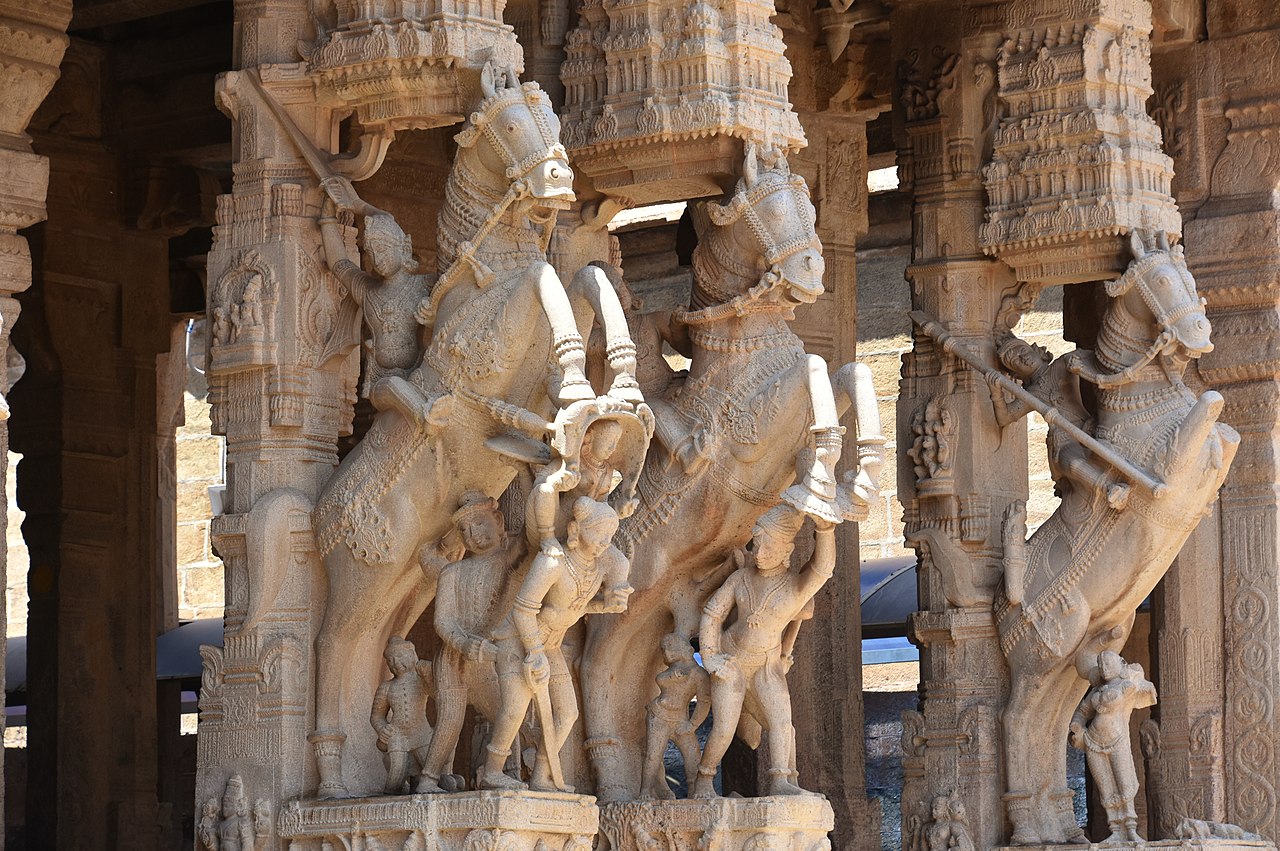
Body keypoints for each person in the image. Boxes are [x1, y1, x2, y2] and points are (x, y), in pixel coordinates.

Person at [478, 497, 632, 792]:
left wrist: (606, 605)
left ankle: (541, 775)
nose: (604, 541)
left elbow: (575, 607)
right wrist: (534, 652)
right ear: (577, 529)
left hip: (551, 645)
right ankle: (491, 771)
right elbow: (524, 610)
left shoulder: (597, 568)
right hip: (518, 640)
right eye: (598, 532)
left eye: (609, 536)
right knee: (515, 707)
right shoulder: (553, 561)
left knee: (567, 713)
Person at [693, 504, 834, 798]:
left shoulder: (794, 589)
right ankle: (703, 782)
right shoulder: (741, 579)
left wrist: (825, 529)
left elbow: (822, 569)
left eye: (766, 546)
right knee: (724, 729)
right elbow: (712, 613)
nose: (758, 552)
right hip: (731, 659)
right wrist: (710, 656)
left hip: (766, 665)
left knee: (783, 724)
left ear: (787, 550)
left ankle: (781, 780)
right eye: (756, 544)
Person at [422, 492, 524, 793]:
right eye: (465, 531)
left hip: (491, 657)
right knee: (450, 720)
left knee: (508, 713)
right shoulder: (453, 572)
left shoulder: (510, 564)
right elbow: (443, 622)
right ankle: (428, 779)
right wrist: (464, 644)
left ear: (499, 521)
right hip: (454, 658)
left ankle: (508, 772)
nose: (474, 535)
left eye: (479, 524)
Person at [988, 334, 1129, 510]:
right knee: (1072, 463)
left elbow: (1097, 359)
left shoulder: (1062, 364)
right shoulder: (1030, 395)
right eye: (1015, 361)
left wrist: (1081, 368)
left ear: (1036, 350)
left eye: (1023, 351)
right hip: (1064, 439)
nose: (1022, 358)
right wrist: (996, 393)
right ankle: (1109, 489)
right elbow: (1005, 417)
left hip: (1088, 426)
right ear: (1016, 373)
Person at [1070, 651, 1158, 843]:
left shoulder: (1126, 685)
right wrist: (1077, 725)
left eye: (1109, 663)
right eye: (1101, 664)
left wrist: (1135, 679)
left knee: (1124, 783)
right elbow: (1083, 711)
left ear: (1120, 663)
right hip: (1093, 741)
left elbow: (1149, 689)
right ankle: (1115, 829)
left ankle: (1131, 829)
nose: (1104, 668)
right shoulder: (1097, 690)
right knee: (1106, 788)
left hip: (1117, 740)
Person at [639, 634, 710, 799]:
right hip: (658, 715)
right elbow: (661, 679)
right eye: (664, 649)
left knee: (693, 756)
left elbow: (704, 702)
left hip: (681, 721)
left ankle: (695, 791)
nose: (666, 652)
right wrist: (673, 676)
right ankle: (646, 790)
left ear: (683, 649)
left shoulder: (698, 674)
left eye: (670, 647)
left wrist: (692, 725)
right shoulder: (671, 671)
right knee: (653, 755)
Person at [369, 636, 435, 794]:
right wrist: (382, 729)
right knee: (394, 780)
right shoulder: (386, 687)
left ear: (412, 655)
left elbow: (436, 694)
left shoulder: (421, 679)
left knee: (432, 772)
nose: (395, 662)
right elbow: (376, 716)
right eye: (390, 660)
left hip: (421, 734)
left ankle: (446, 780)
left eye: (399, 657)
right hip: (397, 736)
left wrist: (428, 675)